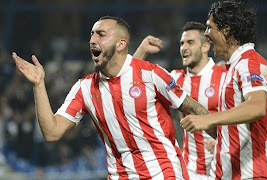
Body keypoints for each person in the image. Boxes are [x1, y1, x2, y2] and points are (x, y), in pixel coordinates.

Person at [12, 16, 211, 180]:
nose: (92, 39)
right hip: (119, 175)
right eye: (91, 34)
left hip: (164, 172)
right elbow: (52, 132)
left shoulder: (152, 74)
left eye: (101, 34)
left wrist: (222, 142)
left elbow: (194, 108)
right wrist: (39, 85)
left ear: (121, 43)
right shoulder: (85, 88)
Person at [180, 1, 267, 179]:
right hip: (232, 172)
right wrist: (221, 138)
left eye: (209, 27)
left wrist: (209, 120)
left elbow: (256, 107)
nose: (206, 33)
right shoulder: (234, 67)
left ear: (226, 30)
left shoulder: (250, 63)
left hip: (253, 174)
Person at [133, 22, 226, 179]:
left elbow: (245, 118)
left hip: (224, 167)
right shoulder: (175, 79)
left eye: (190, 42)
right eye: (182, 43)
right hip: (189, 171)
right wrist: (142, 51)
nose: (184, 47)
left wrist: (224, 143)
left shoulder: (224, 75)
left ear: (205, 47)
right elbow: (131, 83)